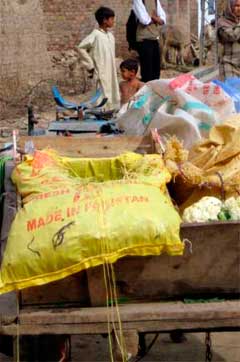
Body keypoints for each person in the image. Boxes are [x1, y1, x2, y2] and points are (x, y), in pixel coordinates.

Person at [77, 7, 120, 110]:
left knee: (112, 91)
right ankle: (100, 113)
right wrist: (90, 65)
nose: (113, 21)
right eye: (112, 19)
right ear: (105, 20)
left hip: (111, 70)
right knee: (101, 94)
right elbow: (81, 48)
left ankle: (111, 112)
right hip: (100, 71)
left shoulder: (110, 36)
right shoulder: (95, 35)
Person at [133, 0, 166, 82]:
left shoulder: (155, 1)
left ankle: (154, 92)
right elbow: (144, 20)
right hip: (144, 39)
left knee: (156, 71)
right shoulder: (138, 1)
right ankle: (146, 92)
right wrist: (156, 19)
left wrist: (152, 17)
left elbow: (163, 20)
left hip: (154, 38)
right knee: (147, 72)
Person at [217, 0, 240, 79]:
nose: (239, 8)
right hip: (229, 66)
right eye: (236, 6)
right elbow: (233, 36)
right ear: (230, 7)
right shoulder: (222, 23)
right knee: (233, 90)